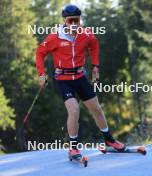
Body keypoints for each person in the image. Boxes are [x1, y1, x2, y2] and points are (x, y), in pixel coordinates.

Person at [36, 4, 125, 159]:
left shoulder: (86, 34)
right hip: (63, 80)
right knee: (74, 110)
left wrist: (95, 65)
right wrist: (41, 74)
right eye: (71, 21)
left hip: (79, 77)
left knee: (96, 108)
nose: (74, 24)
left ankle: (109, 141)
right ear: (65, 20)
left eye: (77, 20)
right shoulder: (55, 37)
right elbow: (40, 52)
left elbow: (94, 45)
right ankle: (73, 148)